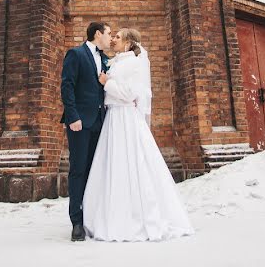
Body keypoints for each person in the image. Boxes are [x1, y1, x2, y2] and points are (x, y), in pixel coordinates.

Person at [83, 28, 194, 242]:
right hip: (114, 119)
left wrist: (108, 83)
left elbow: (129, 94)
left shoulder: (134, 63)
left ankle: (136, 217)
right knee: (114, 165)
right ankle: (109, 213)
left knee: (131, 163)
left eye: (117, 37)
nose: (113, 39)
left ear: (128, 42)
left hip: (125, 119)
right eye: (112, 36)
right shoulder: (118, 62)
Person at [60, 21, 112, 242]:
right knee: (78, 170)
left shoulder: (106, 59)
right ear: (98, 34)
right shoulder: (76, 54)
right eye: (109, 33)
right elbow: (67, 85)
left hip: (100, 123)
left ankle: (92, 217)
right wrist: (73, 116)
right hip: (80, 123)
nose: (110, 38)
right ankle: (77, 222)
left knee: (94, 170)